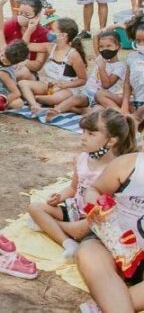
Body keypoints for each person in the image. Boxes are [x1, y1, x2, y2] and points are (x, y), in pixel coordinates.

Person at [25, 110, 134, 260]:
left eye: (91, 134)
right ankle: (68, 242)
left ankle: (52, 227)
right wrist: (60, 197)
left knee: (82, 229)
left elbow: (116, 207)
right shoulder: (81, 159)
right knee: (34, 208)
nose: (83, 138)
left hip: (96, 220)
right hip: (75, 209)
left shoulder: (118, 168)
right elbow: (73, 188)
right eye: (83, 132)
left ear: (110, 141)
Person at [74, 118, 142, 312]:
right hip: (112, 242)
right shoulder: (127, 164)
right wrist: (94, 202)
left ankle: (108, 306)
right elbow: (94, 189)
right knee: (89, 254)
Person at [18, 18, 88, 118]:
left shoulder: (73, 55)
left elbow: (83, 79)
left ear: (63, 35)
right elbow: (25, 46)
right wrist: (29, 29)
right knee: (22, 83)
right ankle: (35, 106)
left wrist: (64, 85)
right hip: (49, 85)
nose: (49, 32)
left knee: (53, 99)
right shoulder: (50, 47)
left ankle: (35, 99)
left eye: (53, 30)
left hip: (67, 88)